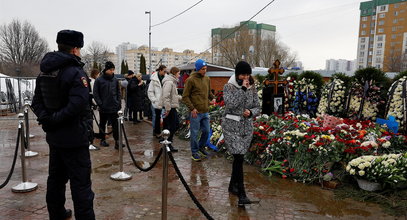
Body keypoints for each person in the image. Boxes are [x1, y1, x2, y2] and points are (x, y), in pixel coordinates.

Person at [31, 29, 95, 219]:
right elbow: (78, 104)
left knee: (56, 180)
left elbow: (36, 102)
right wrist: (53, 120)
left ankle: (56, 213)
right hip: (74, 137)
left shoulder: (45, 71)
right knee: (81, 184)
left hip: (55, 137)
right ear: (75, 49)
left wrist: (48, 120)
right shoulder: (76, 72)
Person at [222, 61, 260, 206]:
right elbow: (231, 104)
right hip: (232, 127)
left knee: (239, 158)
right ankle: (242, 194)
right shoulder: (229, 86)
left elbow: (257, 106)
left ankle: (233, 186)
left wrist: (250, 112)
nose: (245, 77)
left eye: (247, 74)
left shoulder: (252, 87)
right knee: (238, 157)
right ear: (237, 74)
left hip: (246, 128)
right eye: (243, 74)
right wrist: (242, 90)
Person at [182, 59, 215, 161]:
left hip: (205, 111)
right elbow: (185, 96)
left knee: (206, 131)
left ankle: (201, 147)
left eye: (205, 69)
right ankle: (194, 152)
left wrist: (213, 98)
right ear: (197, 69)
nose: (204, 71)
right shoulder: (190, 80)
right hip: (195, 113)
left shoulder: (207, 79)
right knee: (195, 133)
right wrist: (192, 108)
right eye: (202, 69)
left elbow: (208, 93)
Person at [93, 61, 122, 149]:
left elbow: (118, 92)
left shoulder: (115, 79)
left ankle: (117, 141)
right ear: (106, 69)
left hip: (114, 106)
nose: (112, 71)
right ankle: (102, 140)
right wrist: (100, 104)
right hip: (104, 107)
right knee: (102, 124)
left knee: (115, 125)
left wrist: (118, 102)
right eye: (111, 69)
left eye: (113, 69)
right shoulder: (99, 80)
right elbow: (95, 93)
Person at [158, 67, 182, 152]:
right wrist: (168, 109)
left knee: (169, 125)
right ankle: (168, 143)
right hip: (169, 108)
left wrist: (180, 98)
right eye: (179, 73)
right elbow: (166, 96)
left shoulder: (172, 82)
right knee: (173, 125)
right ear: (175, 73)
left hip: (171, 107)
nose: (179, 75)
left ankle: (166, 141)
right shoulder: (169, 82)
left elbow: (172, 95)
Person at [148, 65, 166, 138]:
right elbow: (150, 91)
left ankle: (163, 132)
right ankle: (156, 131)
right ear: (160, 70)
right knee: (156, 117)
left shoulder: (166, 78)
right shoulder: (154, 79)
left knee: (164, 117)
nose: (165, 72)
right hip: (157, 102)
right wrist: (154, 100)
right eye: (164, 71)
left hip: (164, 102)